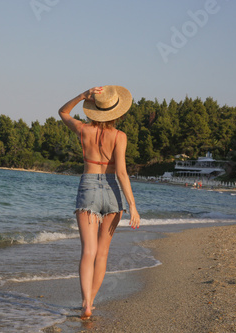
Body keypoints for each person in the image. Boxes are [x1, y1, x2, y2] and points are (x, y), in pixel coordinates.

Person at [58, 86, 140, 320]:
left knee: (88, 252)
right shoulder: (120, 136)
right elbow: (122, 173)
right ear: (117, 112)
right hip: (113, 191)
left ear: (93, 110)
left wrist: (82, 95)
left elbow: (62, 112)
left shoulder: (83, 130)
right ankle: (90, 302)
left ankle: (84, 304)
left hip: (89, 188)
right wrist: (132, 205)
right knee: (102, 254)